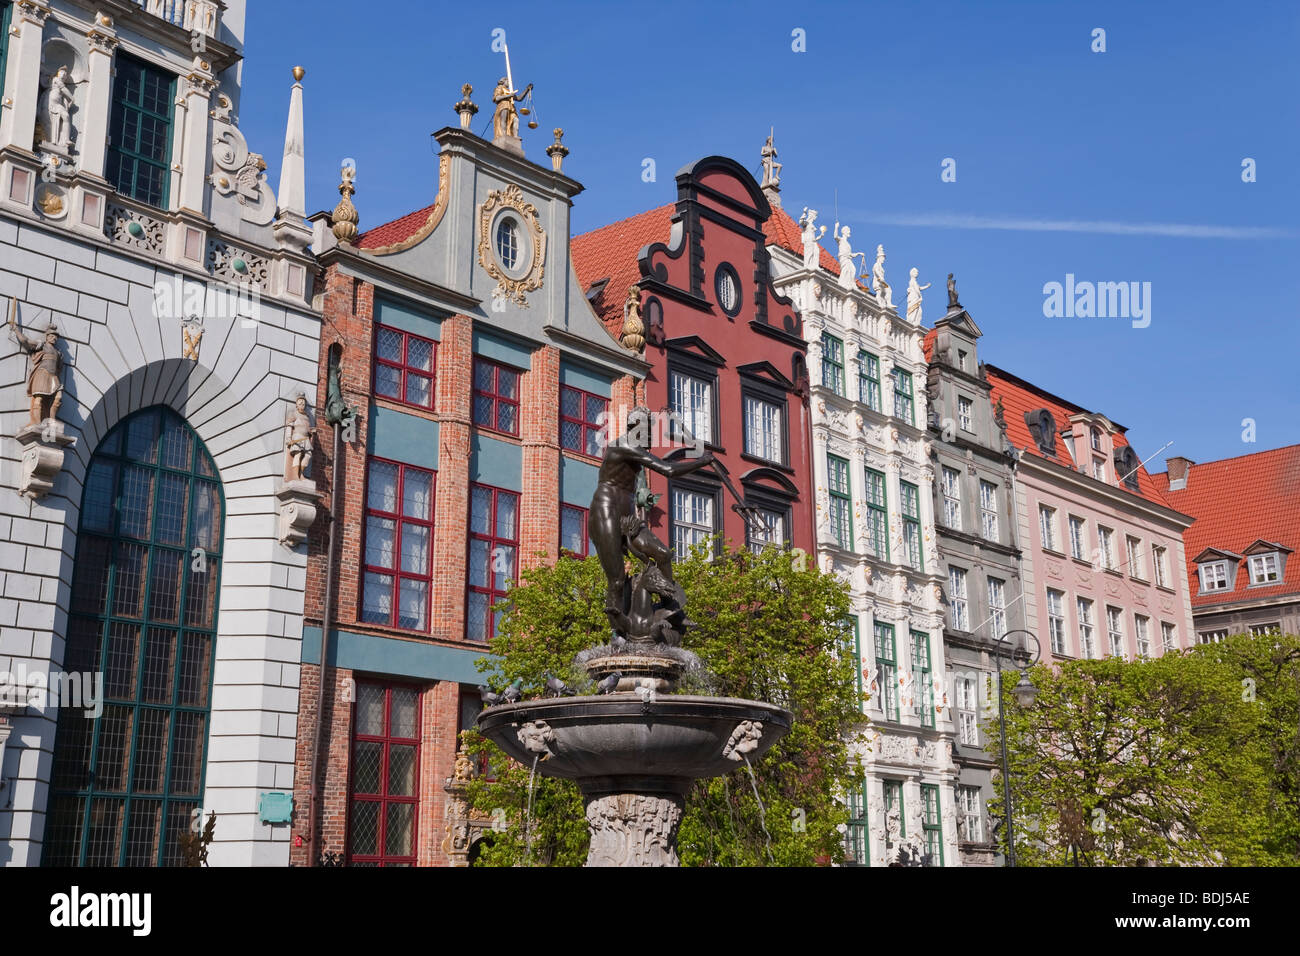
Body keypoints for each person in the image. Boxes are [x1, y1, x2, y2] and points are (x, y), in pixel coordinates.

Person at [589, 407, 714, 636]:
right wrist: (702, 461)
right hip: (605, 510)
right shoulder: (624, 445)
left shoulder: (634, 448)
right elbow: (667, 469)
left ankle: (670, 607)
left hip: (627, 514)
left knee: (663, 554)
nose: (651, 436)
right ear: (635, 428)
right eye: (648, 430)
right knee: (616, 580)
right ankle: (618, 635)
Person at [10, 304, 63, 426]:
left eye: (55, 337)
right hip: (42, 374)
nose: (54, 338)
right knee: (38, 399)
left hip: (53, 377)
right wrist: (16, 330)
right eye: (52, 336)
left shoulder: (58, 353)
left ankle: (52, 421)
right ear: (47, 336)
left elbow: (59, 368)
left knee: (58, 399)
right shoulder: (41, 345)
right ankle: (37, 423)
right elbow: (25, 341)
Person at [283, 393, 316, 482]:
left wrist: (312, 431)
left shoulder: (307, 416)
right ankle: (295, 475)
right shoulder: (294, 414)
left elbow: (307, 428)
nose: (302, 405)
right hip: (298, 436)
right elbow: (290, 425)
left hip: (305, 438)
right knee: (298, 454)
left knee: (308, 455)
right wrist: (289, 438)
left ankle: (301, 473)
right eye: (300, 403)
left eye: (303, 404)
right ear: (297, 405)